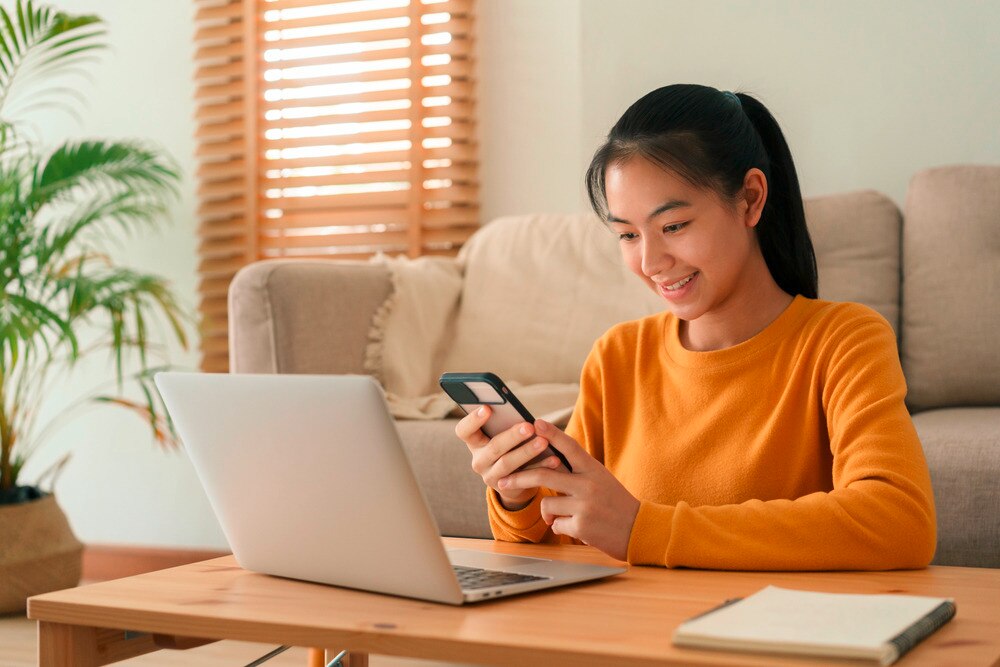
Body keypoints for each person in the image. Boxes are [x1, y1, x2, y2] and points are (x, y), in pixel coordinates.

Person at [454, 83, 937, 570]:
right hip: (632, 634)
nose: (650, 261)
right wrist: (518, 497)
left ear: (750, 199)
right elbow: (571, 542)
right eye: (626, 234)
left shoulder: (843, 340)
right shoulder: (618, 355)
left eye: (674, 226)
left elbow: (897, 521)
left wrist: (645, 529)